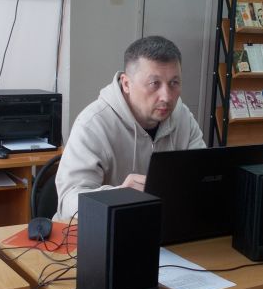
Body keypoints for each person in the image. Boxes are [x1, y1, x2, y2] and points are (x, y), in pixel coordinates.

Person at [54, 36, 205, 221]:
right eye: (154, 84)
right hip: (98, 230)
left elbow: (203, 177)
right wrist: (118, 196)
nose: (166, 97)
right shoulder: (93, 124)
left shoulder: (183, 117)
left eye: (174, 83)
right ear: (126, 84)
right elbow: (67, 202)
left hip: (160, 226)